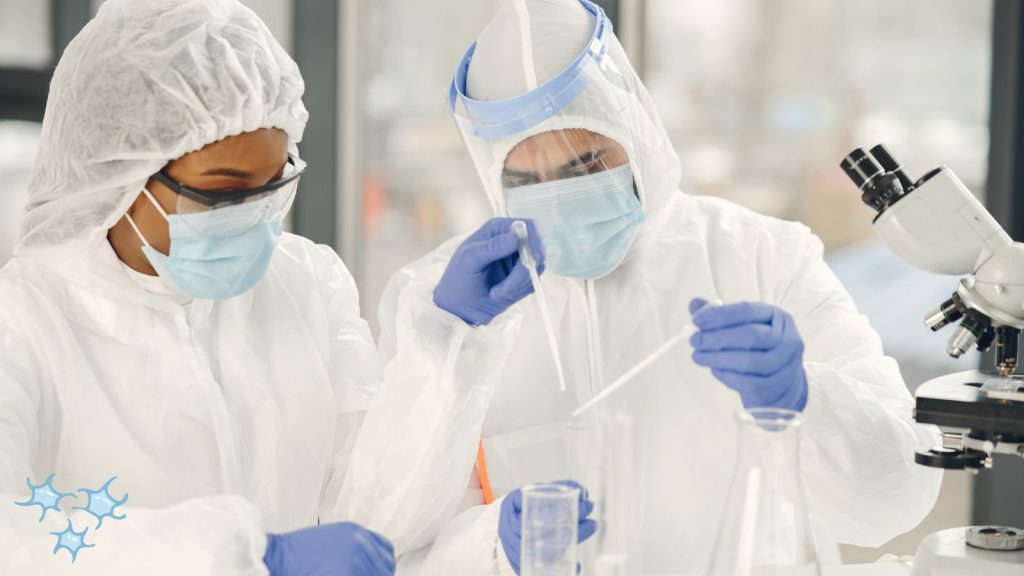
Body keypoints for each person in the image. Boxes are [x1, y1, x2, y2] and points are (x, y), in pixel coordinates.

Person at [380, 0, 943, 573]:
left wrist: (807, 399)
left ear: (633, 129)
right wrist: (491, 544)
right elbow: (389, 530)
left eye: (584, 166)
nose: (556, 196)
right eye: (525, 181)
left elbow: (898, 497)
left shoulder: (765, 259)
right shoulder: (444, 301)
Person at [0, 1, 541, 574]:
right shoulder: (23, 324)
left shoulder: (302, 282)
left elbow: (376, 516)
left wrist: (445, 341)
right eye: (227, 191)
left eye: (273, 184)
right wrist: (242, 558)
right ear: (120, 173)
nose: (254, 217)